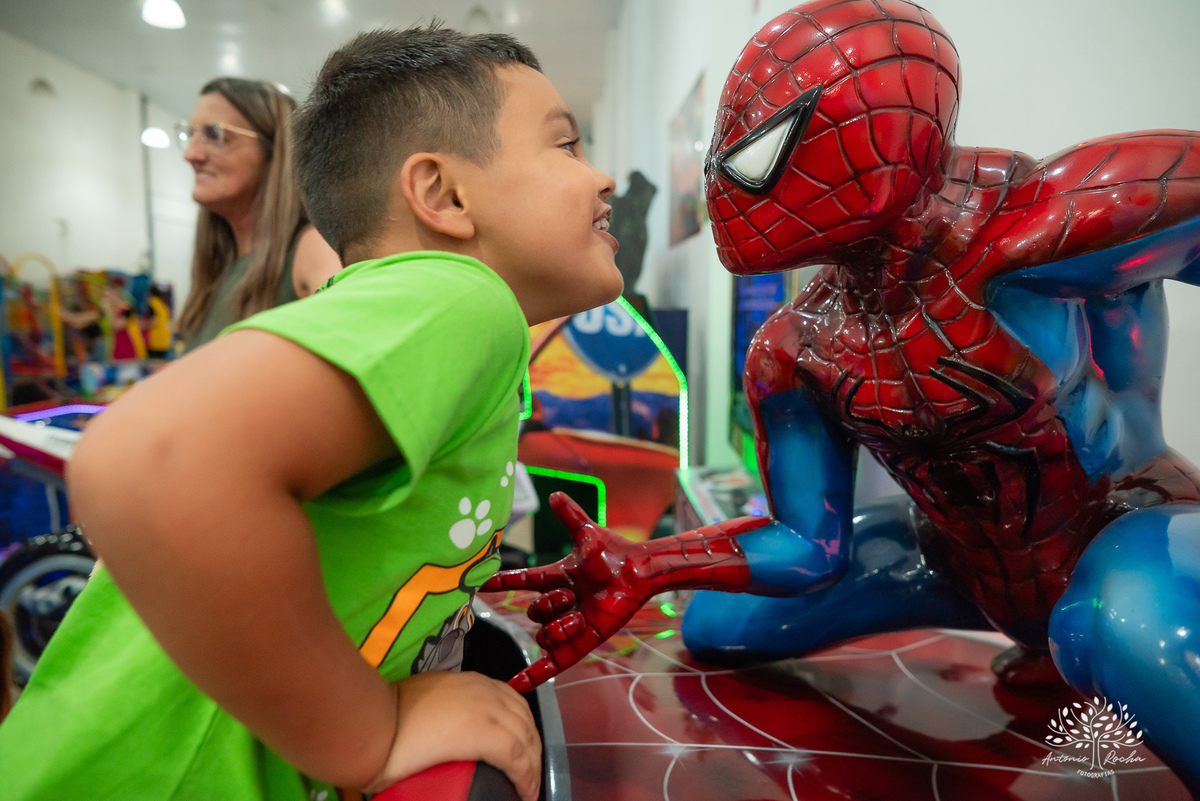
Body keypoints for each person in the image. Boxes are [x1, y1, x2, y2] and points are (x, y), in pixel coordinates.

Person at [484, 0, 1200, 793]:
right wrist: (648, 564)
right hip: (952, 562)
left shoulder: (1046, 221)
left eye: (757, 151)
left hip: (1116, 524)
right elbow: (807, 544)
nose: (730, 180)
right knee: (714, 628)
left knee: (1120, 623)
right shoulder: (795, 349)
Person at [0, 25, 622, 801]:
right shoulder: (463, 297)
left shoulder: (428, 317)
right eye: (566, 146)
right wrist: (369, 735)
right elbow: (154, 463)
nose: (602, 178)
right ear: (444, 195)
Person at [178, 77, 342, 353]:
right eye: (190, 134)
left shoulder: (312, 247)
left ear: (275, 151)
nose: (191, 154)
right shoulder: (222, 266)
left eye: (214, 134)